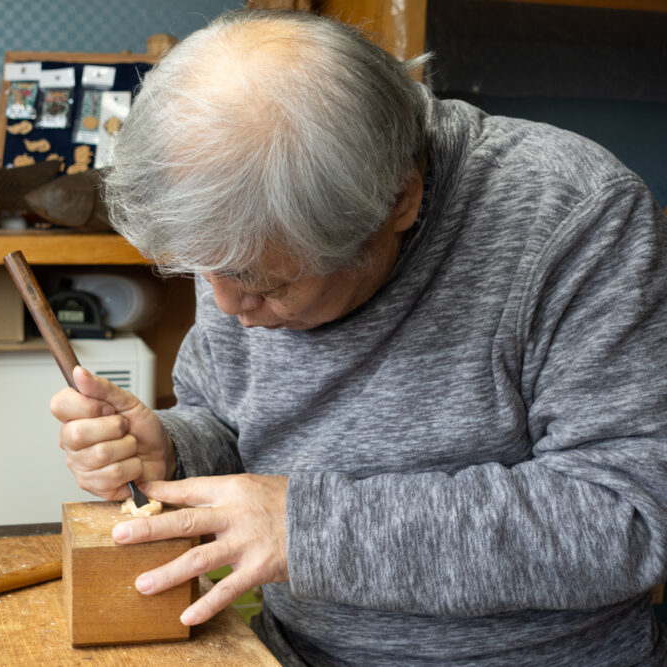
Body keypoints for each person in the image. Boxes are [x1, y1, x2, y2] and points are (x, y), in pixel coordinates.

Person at [49, 9, 667, 666]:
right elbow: (234, 421)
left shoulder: (572, 215)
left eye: (264, 283)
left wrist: (308, 528)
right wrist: (173, 450)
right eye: (208, 272)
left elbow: (627, 516)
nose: (228, 306)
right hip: (294, 651)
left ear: (399, 198)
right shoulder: (244, 222)